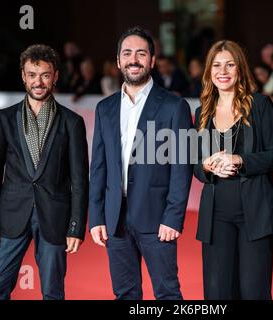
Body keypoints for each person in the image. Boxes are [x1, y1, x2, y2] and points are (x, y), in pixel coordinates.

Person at [89, 27, 193, 300]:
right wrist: (96, 216)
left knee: (168, 294)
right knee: (125, 294)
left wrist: (173, 217)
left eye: (141, 53)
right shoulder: (105, 108)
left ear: (152, 60)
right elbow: (98, 167)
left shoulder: (174, 106)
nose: (134, 59)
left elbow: (181, 168)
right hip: (115, 220)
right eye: (127, 53)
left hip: (158, 220)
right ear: (119, 60)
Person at [0, 44, 89, 300]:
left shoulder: (72, 122)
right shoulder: (5, 118)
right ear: (23, 76)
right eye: (32, 74)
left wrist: (76, 226)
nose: (38, 82)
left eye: (45, 75)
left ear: (55, 76)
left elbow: (79, 180)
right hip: (10, 217)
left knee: (53, 293)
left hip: (54, 218)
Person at [193, 40, 273, 300]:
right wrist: (206, 166)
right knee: (218, 293)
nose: (223, 71)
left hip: (255, 216)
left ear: (240, 68)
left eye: (230, 65)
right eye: (217, 65)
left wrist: (240, 160)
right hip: (215, 218)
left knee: (253, 292)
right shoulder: (202, 112)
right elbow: (195, 166)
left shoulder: (260, 105)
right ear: (209, 71)